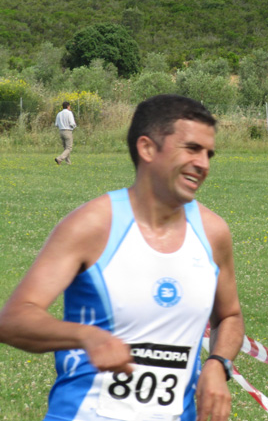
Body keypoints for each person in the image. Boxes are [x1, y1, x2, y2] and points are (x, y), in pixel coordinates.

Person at [0, 94, 245, 421]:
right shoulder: (92, 225)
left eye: (208, 153)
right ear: (147, 148)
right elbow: (14, 318)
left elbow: (229, 316)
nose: (204, 164)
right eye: (191, 148)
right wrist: (86, 336)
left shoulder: (213, 233)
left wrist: (218, 364)